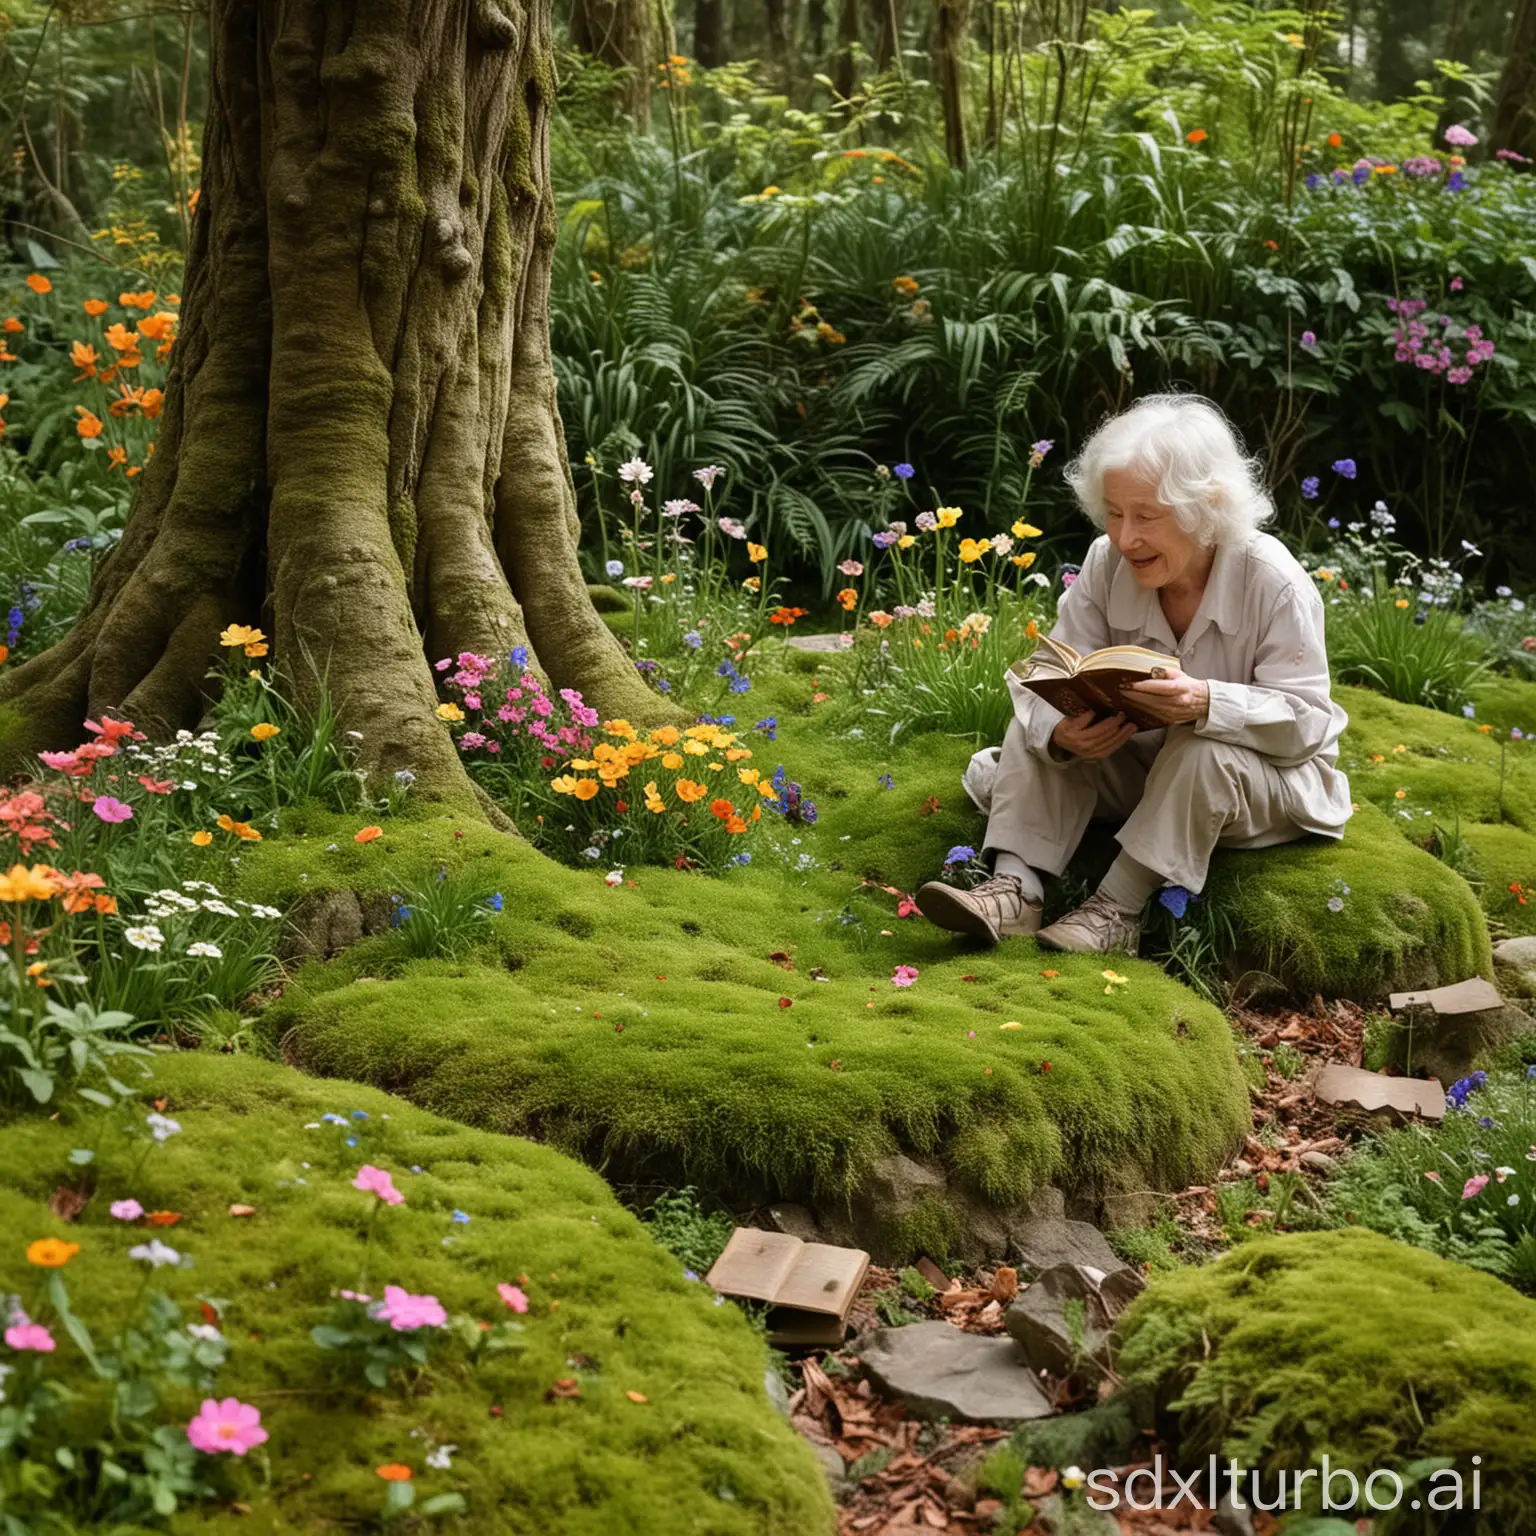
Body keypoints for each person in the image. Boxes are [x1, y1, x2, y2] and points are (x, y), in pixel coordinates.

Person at [916, 393, 1351, 954]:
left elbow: (1310, 725)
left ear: (1207, 507)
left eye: (1146, 516)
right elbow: (1056, 667)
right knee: (1041, 715)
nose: (1126, 538)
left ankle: (1116, 910)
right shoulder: (1106, 561)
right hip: (1143, 770)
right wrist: (1061, 729)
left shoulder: (1273, 581)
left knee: (1204, 746)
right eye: (1115, 514)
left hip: (1263, 787)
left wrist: (1207, 702)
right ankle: (1014, 891)